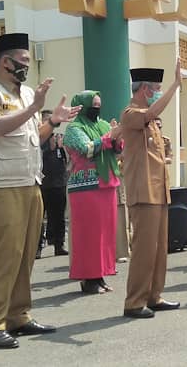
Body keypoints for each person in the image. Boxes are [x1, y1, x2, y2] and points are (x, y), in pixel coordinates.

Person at [0, 32, 80, 349]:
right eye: (24, 61)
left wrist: (53, 121)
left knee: (26, 254)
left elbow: (33, 137)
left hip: (30, 183)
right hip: (0, 186)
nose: (26, 67)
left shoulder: (25, 94)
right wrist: (35, 108)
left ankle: (18, 316)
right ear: (6, 62)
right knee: (4, 257)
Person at [120, 61, 183, 319]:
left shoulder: (153, 120)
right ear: (145, 89)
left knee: (158, 248)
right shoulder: (131, 113)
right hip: (142, 191)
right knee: (144, 249)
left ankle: (154, 296)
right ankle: (134, 302)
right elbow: (149, 113)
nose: (158, 92)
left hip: (158, 191)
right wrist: (175, 86)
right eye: (156, 88)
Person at [62, 91, 123, 294]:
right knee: (89, 235)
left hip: (106, 184)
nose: (97, 108)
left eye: (99, 104)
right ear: (82, 106)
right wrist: (109, 138)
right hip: (85, 188)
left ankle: (101, 275)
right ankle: (88, 279)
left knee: (105, 234)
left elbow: (117, 149)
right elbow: (85, 149)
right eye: (93, 105)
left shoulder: (104, 125)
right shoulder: (73, 129)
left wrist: (117, 139)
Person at [37, 115, 69, 260]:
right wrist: (49, 149)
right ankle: (37, 247)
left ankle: (59, 245)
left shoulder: (59, 138)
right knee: (39, 219)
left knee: (59, 216)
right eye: (46, 120)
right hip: (42, 184)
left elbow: (67, 160)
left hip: (59, 184)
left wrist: (61, 148)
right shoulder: (39, 141)